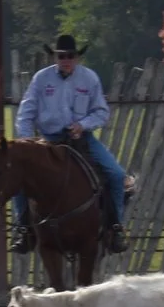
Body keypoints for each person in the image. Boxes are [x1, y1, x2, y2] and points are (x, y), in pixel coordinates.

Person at [13, 33, 128, 254]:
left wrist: (82, 125)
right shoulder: (41, 79)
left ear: (77, 57)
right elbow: (25, 113)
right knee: (19, 179)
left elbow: (101, 112)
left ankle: (116, 227)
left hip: (81, 139)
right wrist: (27, 142)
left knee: (116, 174)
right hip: (48, 140)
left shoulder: (90, 78)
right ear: (54, 57)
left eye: (70, 55)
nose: (66, 60)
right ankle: (23, 229)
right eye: (61, 56)